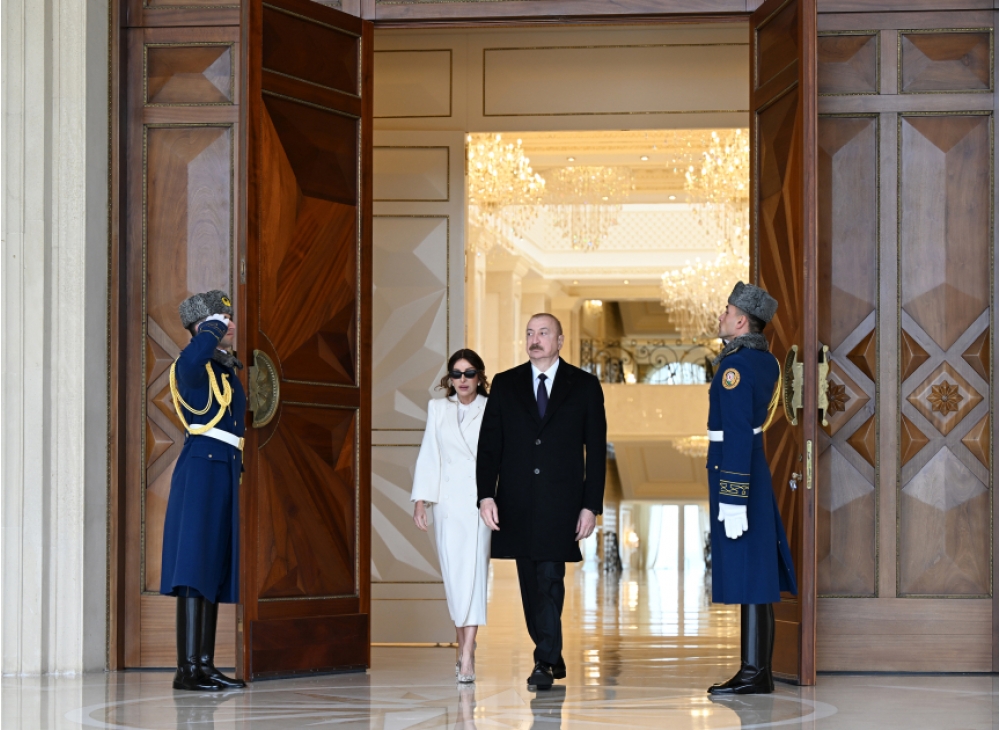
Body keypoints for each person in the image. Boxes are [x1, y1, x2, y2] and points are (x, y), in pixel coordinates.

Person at [477, 313, 607, 691]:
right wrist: (486, 495)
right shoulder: (506, 384)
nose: (535, 339)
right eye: (530, 333)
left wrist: (590, 505)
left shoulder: (584, 385)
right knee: (530, 585)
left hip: (561, 503)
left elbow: (596, 450)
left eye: (543, 333)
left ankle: (545, 661)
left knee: (550, 578)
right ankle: (550, 650)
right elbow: (489, 446)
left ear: (560, 341)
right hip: (516, 501)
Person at [706, 282, 797, 695]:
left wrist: (732, 496)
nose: (721, 316)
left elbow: (739, 432)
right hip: (748, 469)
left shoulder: (737, 366)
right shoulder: (764, 360)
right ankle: (756, 670)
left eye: (727, 311)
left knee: (752, 571)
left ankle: (754, 672)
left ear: (742, 321)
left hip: (736, 470)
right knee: (755, 570)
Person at [160, 290, 246, 691]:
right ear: (202, 327)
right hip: (200, 470)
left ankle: (205, 665)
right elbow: (194, 360)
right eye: (222, 320)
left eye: (228, 319)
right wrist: (210, 330)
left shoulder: (222, 369)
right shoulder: (191, 365)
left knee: (211, 564)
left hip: (223, 470)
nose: (231, 326)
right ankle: (188, 669)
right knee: (195, 567)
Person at [411, 349, 492, 684]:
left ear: (479, 377)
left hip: (479, 503)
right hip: (446, 504)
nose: (463, 380)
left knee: (474, 574)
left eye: (469, 373)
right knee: (455, 578)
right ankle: (463, 647)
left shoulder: (491, 408)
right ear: (449, 378)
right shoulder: (438, 408)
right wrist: (421, 501)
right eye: (457, 374)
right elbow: (430, 454)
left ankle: (467, 653)